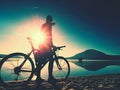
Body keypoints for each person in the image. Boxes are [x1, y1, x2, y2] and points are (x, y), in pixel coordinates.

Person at [35, 15, 57, 84]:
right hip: (45, 45)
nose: (51, 21)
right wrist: (52, 45)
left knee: (40, 61)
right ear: (50, 20)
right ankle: (50, 77)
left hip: (41, 44)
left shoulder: (44, 25)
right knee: (51, 59)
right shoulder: (48, 26)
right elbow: (49, 36)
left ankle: (38, 78)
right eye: (51, 20)